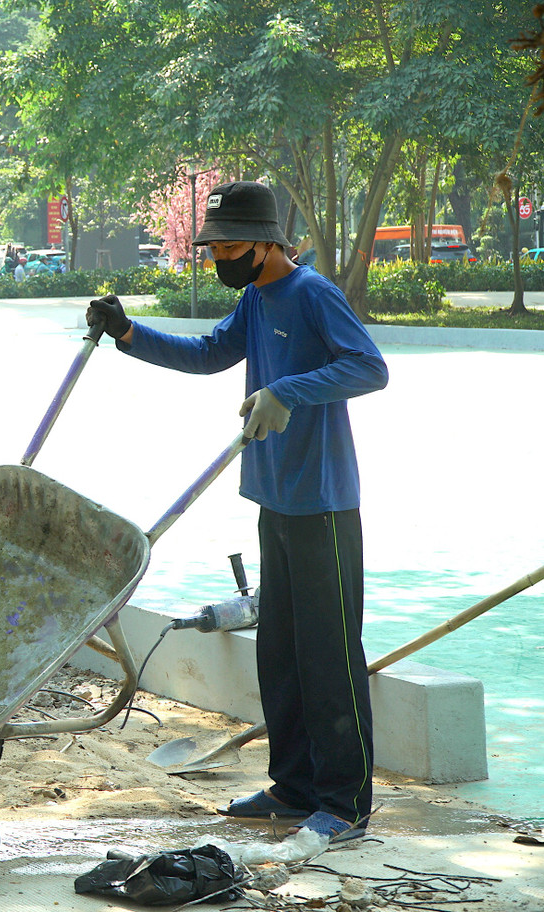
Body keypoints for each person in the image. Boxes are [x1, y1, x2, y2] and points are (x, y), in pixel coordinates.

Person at [86, 180, 388, 843]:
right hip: (273, 499)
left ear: (265, 243)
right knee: (280, 652)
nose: (218, 257)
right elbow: (208, 356)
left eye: (227, 246)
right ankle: (294, 787)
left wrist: (288, 389)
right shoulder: (255, 298)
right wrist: (128, 333)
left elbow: (370, 368)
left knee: (330, 657)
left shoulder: (311, 294)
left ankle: (345, 806)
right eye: (212, 247)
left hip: (324, 505)